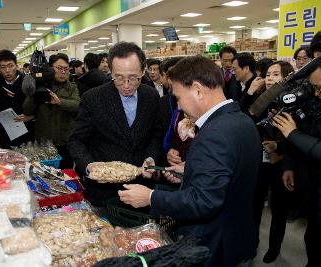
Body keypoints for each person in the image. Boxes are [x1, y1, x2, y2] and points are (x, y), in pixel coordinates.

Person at [118, 56, 261, 267]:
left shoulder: (215, 132)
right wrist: (190, 170)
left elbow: (204, 201)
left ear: (197, 90)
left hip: (215, 245)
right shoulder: (240, 120)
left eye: (178, 97)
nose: (178, 106)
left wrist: (151, 197)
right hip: (237, 235)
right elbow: (230, 173)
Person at [68, 42, 162, 206]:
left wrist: (151, 157)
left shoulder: (151, 96)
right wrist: (89, 165)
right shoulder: (93, 98)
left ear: (142, 71)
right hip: (105, 192)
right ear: (110, 71)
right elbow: (76, 140)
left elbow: (155, 134)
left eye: (133, 77)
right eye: (118, 77)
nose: (126, 85)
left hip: (141, 189)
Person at [272, 56, 321, 267]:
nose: (318, 94)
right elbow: (307, 131)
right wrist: (289, 166)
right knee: (313, 241)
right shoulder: (315, 103)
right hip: (315, 192)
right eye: (315, 89)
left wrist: (292, 134)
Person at [246, 61, 294, 264]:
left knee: (279, 209)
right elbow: (243, 117)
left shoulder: (293, 102)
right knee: (255, 205)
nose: (269, 78)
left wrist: (278, 146)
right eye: (267, 74)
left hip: (281, 164)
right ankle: (252, 242)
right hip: (259, 163)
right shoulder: (260, 100)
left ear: (286, 78)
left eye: (275, 74)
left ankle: (274, 247)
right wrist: (249, 93)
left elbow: (298, 138)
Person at [23, 53, 80, 169]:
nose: (63, 72)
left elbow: (77, 105)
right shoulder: (40, 86)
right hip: (44, 142)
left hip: (65, 140)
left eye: (66, 69)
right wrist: (33, 92)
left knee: (66, 173)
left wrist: (60, 102)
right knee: (44, 174)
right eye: (59, 68)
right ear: (50, 68)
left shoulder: (72, 87)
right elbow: (27, 109)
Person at [0, 50, 34, 148]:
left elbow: (41, 105)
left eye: (10, 66)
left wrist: (31, 116)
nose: (7, 70)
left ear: (16, 65)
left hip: (28, 131)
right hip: (6, 135)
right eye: (3, 67)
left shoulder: (28, 83)